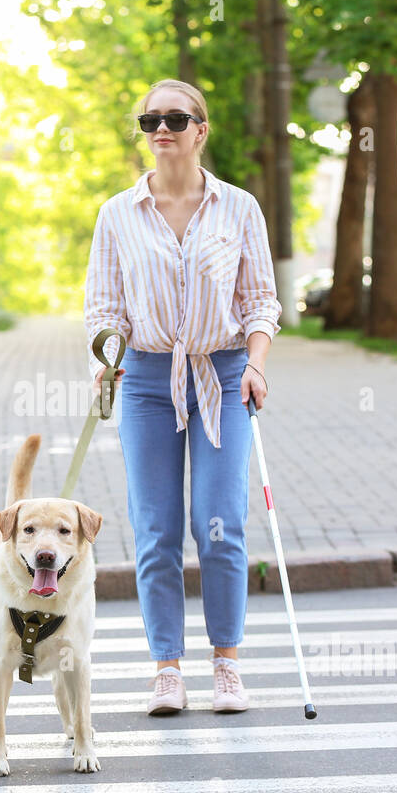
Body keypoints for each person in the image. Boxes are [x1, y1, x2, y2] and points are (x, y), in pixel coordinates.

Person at [82, 78, 282, 716]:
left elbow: (260, 302)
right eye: (150, 120)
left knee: (219, 525)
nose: (161, 129)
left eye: (176, 118)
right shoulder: (117, 214)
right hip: (144, 380)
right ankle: (167, 669)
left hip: (222, 376)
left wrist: (254, 364)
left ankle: (226, 664)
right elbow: (104, 305)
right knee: (156, 529)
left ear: (201, 130)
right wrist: (107, 355)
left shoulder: (239, 208)